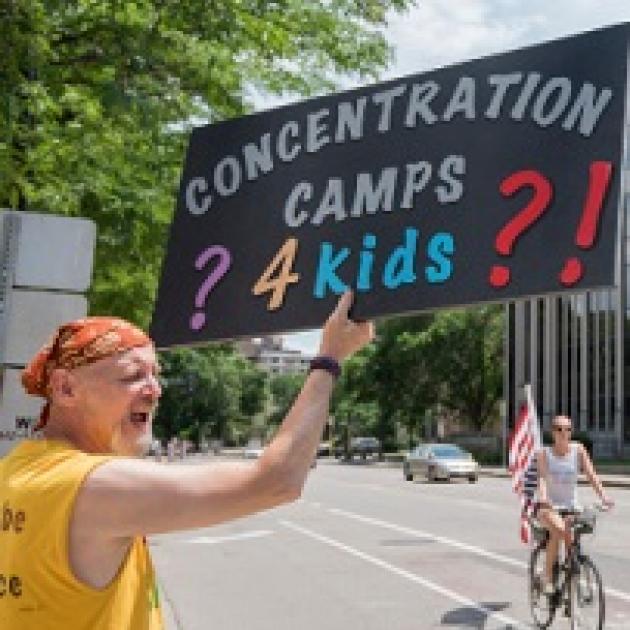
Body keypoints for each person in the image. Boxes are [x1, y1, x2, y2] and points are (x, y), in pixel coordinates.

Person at [0, 291, 373, 629]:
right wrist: (328, 359)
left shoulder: (14, 470)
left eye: (155, 375)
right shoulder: (92, 485)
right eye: (132, 376)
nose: (155, 391)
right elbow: (276, 481)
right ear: (66, 388)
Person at [536, 414, 614, 595]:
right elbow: (542, 478)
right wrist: (544, 497)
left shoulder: (578, 450)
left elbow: (591, 474)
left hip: (572, 506)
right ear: (552, 433)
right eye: (559, 429)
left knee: (576, 532)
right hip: (549, 507)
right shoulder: (543, 454)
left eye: (568, 429)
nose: (564, 433)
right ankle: (547, 577)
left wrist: (604, 496)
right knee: (560, 530)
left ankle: (573, 573)